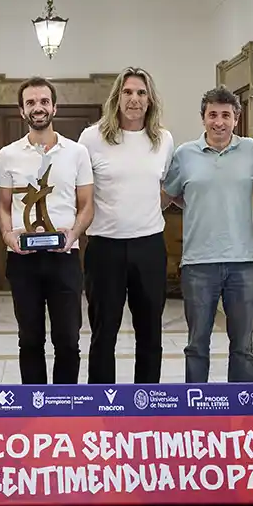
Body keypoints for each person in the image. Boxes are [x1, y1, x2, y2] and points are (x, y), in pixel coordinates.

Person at [0, 77, 94, 385]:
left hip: (64, 258)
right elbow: (2, 206)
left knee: (68, 340)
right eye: (30, 102)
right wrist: (8, 235)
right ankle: (34, 403)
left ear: (54, 107)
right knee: (29, 340)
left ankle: (65, 403)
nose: (37, 107)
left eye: (43, 101)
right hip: (22, 259)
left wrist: (72, 235)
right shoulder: (8, 154)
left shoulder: (77, 152)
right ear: (21, 110)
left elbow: (86, 205)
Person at [163, 87, 253, 383]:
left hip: (243, 263)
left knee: (243, 347)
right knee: (196, 346)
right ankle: (196, 405)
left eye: (226, 115)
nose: (219, 122)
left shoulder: (251, 151)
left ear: (236, 118)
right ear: (203, 118)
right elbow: (169, 195)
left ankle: (241, 406)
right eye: (212, 115)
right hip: (198, 264)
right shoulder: (185, 154)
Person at [79, 67, 174, 384]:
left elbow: (163, 189)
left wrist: (143, 210)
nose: (135, 99)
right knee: (103, 332)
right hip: (105, 247)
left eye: (141, 93)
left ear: (150, 100)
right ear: (116, 97)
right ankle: (101, 404)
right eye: (128, 92)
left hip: (149, 247)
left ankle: (147, 402)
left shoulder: (163, 140)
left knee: (150, 332)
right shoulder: (92, 138)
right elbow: (81, 192)